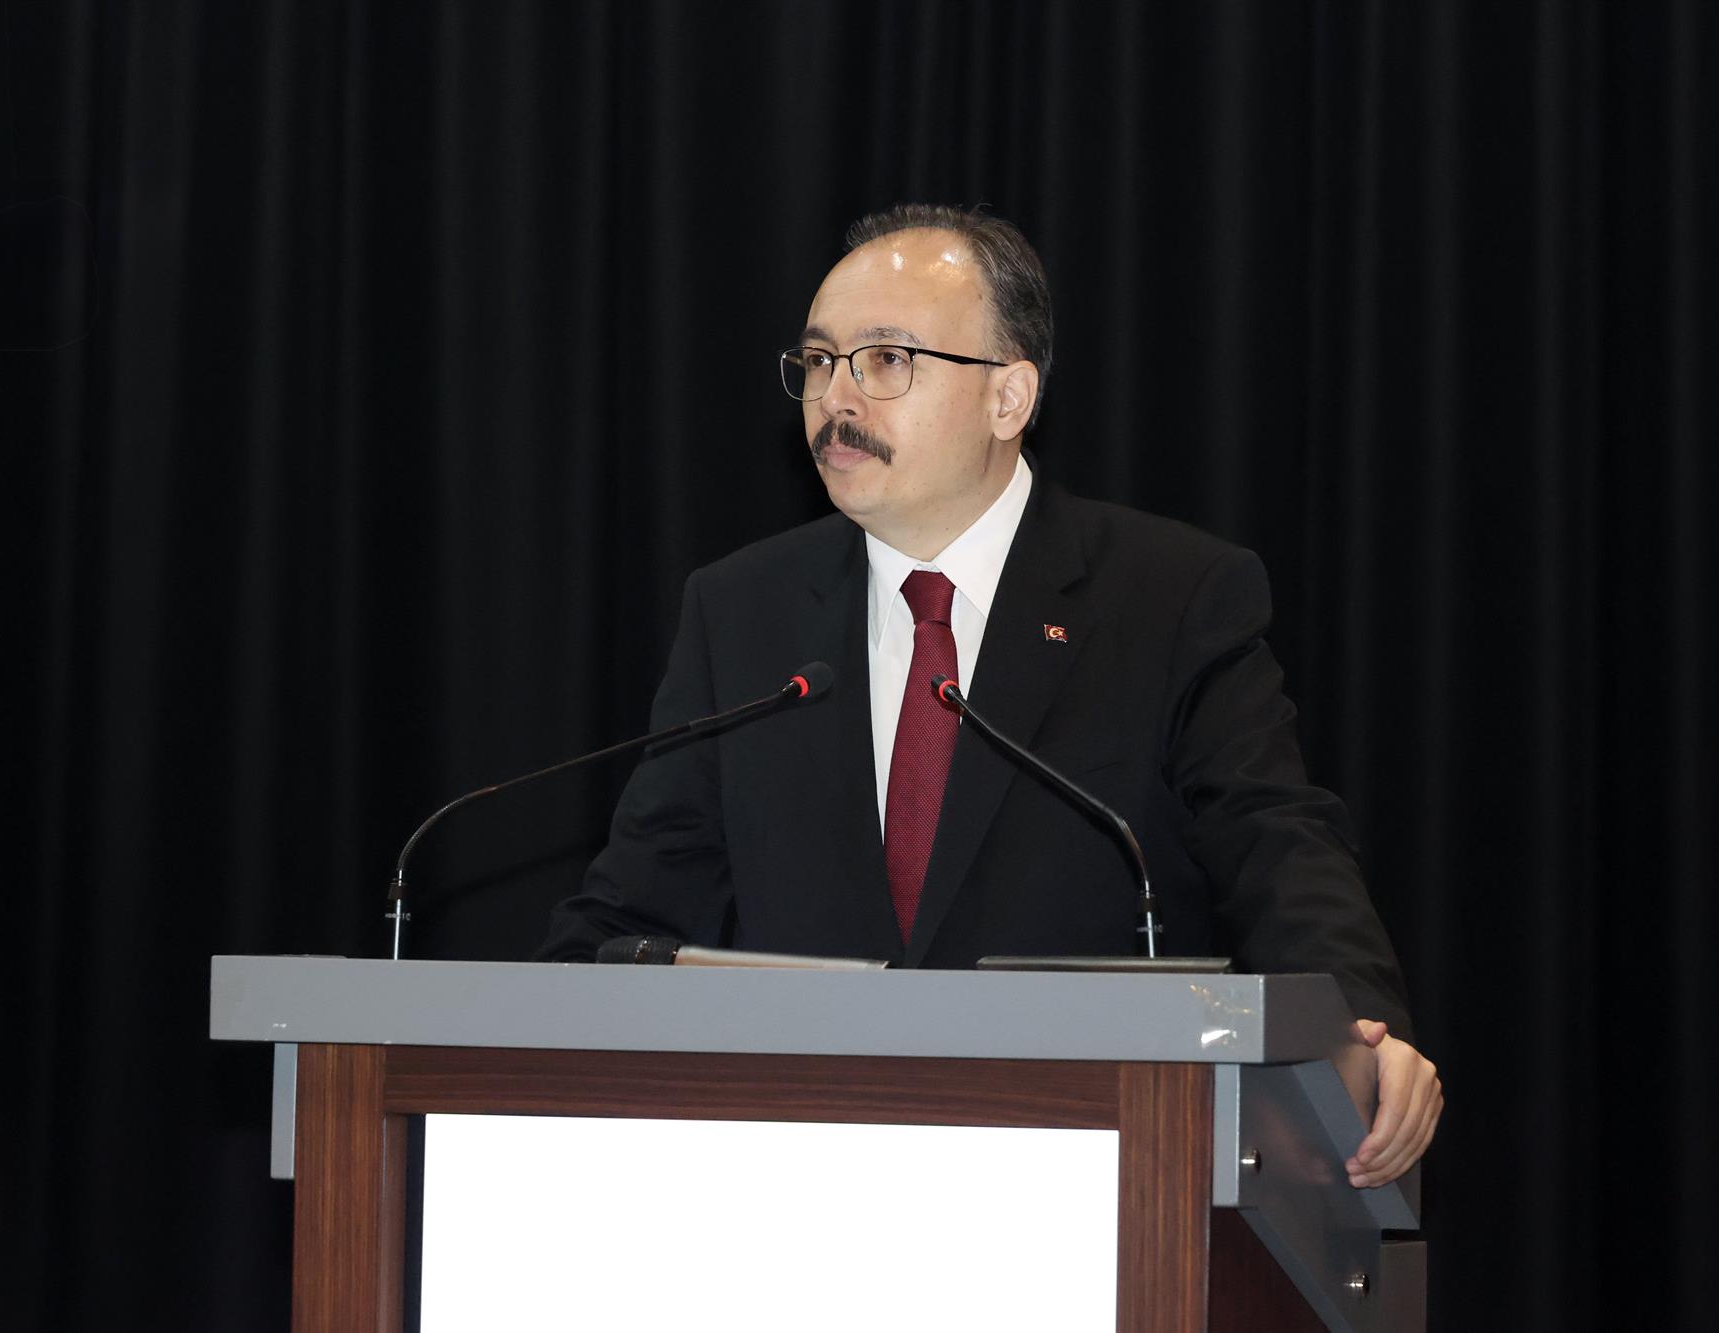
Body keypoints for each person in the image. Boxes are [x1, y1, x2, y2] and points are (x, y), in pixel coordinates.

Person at [539, 204, 1441, 1189]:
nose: (836, 397)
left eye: (886, 359)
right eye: (820, 360)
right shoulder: (741, 612)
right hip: (798, 1171)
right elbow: (632, 911)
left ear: (1009, 396)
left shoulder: (1168, 597)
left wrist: (1365, 1029)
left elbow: (1277, 844)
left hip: (1095, 1167)